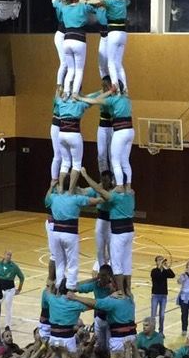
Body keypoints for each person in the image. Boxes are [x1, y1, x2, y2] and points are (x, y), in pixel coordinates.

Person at [80, 167, 135, 295]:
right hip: (123, 228)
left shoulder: (115, 196)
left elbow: (100, 191)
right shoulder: (130, 194)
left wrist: (84, 175)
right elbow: (88, 191)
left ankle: (118, 288)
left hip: (116, 228)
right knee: (109, 254)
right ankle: (119, 286)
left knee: (115, 258)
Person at [44, 179, 102, 291]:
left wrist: (51, 186)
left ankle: (59, 286)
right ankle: (70, 288)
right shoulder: (76, 199)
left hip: (56, 233)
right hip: (70, 234)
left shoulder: (55, 197)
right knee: (72, 262)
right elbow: (94, 201)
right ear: (72, 186)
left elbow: (47, 200)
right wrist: (104, 198)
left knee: (59, 262)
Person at [77, 88, 134, 189]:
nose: (105, 87)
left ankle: (116, 181)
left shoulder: (117, 98)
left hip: (115, 126)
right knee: (102, 155)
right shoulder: (103, 93)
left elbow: (95, 100)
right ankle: (104, 180)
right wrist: (80, 94)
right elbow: (92, 98)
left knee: (114, 157)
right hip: (103, 125)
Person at [56, 0, 94, 97]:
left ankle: (66, 91)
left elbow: (56, 2)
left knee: (70, 69)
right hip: (79, 39)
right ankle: (75, 93)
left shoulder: (64, 8)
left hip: (66, 40)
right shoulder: (82, 6)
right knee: (79, 70)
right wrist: (84, 1)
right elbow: (93, 9)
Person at [55, 92, 92, 191]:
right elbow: (92, 99)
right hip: (74, 134)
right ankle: (71, 191)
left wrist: (60, 90)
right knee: (76, 164)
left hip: (61, 134)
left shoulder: (60, 102)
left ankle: (61, 189)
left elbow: (57, 96)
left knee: (65, 162)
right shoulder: (79, 104)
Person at [0, 250, 24, 330]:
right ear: (4, 255)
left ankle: (8, 325)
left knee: (8, 306)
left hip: (10, 290)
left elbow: (22, 277)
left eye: (10, 255)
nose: (9, 256)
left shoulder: (14, 266)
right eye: (7, 254)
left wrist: (19, 289)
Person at [150, 256, 175, 334]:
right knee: (153, 315)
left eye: (162, 260)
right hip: (155, 295)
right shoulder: (154, 271)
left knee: (162, 315)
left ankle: (161, 331)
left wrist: (166, 267)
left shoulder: (165, 271)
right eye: (159, 260)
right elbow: (156, 276)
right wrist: (159, 267)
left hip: (163, 295)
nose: (161, 261)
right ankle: (152, 331)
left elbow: (172, 275)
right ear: (156, 262)